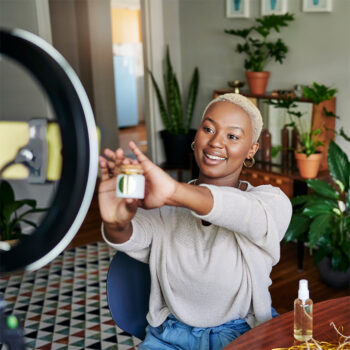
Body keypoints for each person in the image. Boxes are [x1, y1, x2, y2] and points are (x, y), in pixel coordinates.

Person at [98, 93, 292, 350]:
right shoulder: (165, 205)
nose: (215, 142)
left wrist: (174, 192)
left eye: (232, 136)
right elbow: (132, 236)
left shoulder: (269, 201)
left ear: (252, 149)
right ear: (196, 136)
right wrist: (115, 222)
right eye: (208, 129)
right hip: (169, 335)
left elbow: (244, 213)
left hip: (244, 332)